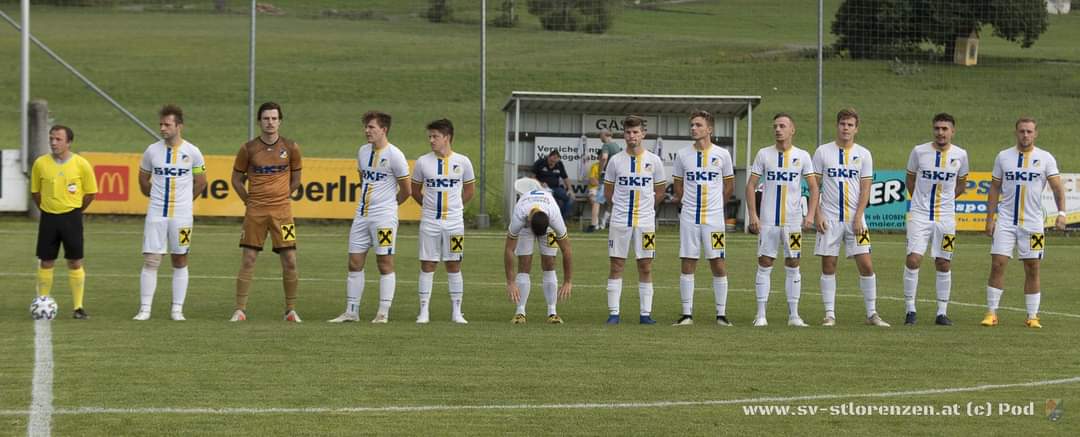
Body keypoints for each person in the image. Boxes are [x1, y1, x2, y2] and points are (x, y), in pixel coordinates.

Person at [982, 117, 1066, 329]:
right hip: (1006, 222)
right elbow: (994, 188)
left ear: (1035, 134)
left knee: (1033, 267)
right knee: (998, 263)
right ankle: (991, 313)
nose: (1025, 135)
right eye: (1022, 131)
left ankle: (1032, 315)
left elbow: (1057, 188)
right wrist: (989, 218)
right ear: (1016, 132)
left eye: (1029, 131)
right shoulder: (1003, 157)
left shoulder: (1045, 158)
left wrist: (1062, 213)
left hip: (1033, 224)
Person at [329, 111, 411, 324]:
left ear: (384, 130)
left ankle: (383, 312)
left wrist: (389, 207)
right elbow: (363, 180)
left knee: (384, 262)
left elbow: (406, 190)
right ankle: (351, 311)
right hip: (361, 216)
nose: (367, 131)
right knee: (354, 262)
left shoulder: (395, 155)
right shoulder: (363, 152)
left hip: (384, 219)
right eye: (366, 127)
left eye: (371, 127)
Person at [812, 108, 890, 327]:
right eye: (842, 124)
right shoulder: (822, 152)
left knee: (866, 264)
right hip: (829, 219)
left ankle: (872, 313)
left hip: (856, 220)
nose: (845, 128)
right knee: (829, 264)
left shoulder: (864, 154)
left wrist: (859, 217)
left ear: (856, 128)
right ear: (837, 126)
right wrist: (817, 214)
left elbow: (866, 189)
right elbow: (813, 186)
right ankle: (829, 314)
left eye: (850, 125)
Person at [230, 102, 303, 322]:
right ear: (259, 121)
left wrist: (282, 198)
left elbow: (296, 179)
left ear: (280, 121)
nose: (270, 122)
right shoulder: (248, 149)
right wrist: (249, 201)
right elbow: (236, 179)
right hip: (256, 213)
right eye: (265, 118)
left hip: (283, 214)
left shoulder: (291, 147)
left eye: (273, 118)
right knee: (249, 258)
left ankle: (290, 310)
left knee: (290, 259)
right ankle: (240, 310)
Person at [133, 105, 208, 321]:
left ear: (179, 126)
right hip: (156, 213)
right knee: (151, 259)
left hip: (182, 216)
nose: (162, 128)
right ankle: (145, 309)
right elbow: (143, 179)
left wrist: (185, 203)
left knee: (180, 258)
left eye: (167, 124)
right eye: (161, 124)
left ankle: (177, 309)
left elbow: (201, 182)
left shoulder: (192, 152)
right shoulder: (151, 151)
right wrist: (154, 198)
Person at [745, 113, 819, 327]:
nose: (778, 129)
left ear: (792, 130)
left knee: (793, 263)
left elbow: (814, 187)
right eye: (775, 126)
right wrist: (753, 215)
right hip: (768, 222)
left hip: (793, 222)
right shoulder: (763, 154)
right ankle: (761, 314)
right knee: (765, 262)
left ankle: (794, 315)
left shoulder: (802, 156)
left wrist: (811, 215)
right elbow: (750, 185)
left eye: (783, 126)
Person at [902, 113, 969, 326]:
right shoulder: (919, 151)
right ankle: (910, 309)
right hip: (919, 216)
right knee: (913, 258)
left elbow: (962, 183)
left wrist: (946, 201)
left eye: (945, 129)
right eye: (937, 128)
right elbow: (910, 179)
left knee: (944, 261)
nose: (941, 132)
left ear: (952, 131)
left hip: (946, 218)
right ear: (933, 130)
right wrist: (919, 201)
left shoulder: (961, 154)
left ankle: (941, 312)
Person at [670, 111, 736, 326]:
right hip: (689, 216)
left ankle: (721, 314)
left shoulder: (723, 155)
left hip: (714, 218)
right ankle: (686, 314)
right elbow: (678, 185)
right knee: (688, 261)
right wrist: (687, 203)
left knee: (717, 261)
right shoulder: (682, 155)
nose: (693, 128)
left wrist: (716, 207)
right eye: (692, 125)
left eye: (698, 125)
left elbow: (729, 186)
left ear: (709, 129)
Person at [603, 115, 667, 324]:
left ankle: (645, 314)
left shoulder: (654, 160)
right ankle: (614, 313)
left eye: (636, 132)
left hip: (646, 222)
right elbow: (609, 191)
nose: (632, 136)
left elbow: (660, 191)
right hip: (620, 221)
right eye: (629, 132)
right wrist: (620, 209)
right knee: (616, 265)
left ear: (643, 134)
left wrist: (646, 209)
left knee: (646, 265)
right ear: (624, 135)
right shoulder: (615, 161)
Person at [411, 119, 476, 324]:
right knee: (428, 263)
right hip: (430, 221)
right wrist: (430, 208)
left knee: (454, 263)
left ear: (446, 137)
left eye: (435, 136)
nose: (431, 140)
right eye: (429, 136)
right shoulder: (422, 162)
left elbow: (469, 191)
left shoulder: (463, 161)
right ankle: (423, 311)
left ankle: (457, 312)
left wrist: (454, 207)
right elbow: (415, 191)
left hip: (455, 223)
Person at [31, 125, 98, 319]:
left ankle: (78, 307)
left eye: (58, 139)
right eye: (51, 138)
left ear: (68, 142)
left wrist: (76, 210)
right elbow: (35, 192)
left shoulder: (81, 164)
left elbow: (91, 193)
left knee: (75, 261)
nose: (53, 142)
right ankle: (43, 301)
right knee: (46, 261)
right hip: (49, 217)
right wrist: (46, 208)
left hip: (72, 217)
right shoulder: (40, 163)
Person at [503, 189, 574, 324]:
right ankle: (520, 312)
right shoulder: (519, 217)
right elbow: (509, 250)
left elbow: (567, 250)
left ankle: (552, 312)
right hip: (525, 227)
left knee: (549, 263)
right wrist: (510, 282)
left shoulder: (554, 217)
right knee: (524, 264)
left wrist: (568, 281)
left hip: (548, 229)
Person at [532, 150, 573, 219]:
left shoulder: (559, 164)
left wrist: (570, 189)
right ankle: (547, 219)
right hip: (542, 189)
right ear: (548, 157)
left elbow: (565, 178)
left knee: (570, 198)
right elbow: (532, 177)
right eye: (551, 161)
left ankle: (560, 219)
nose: (553, 163)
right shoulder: (540, 162)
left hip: (555, 188)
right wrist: (540, 183)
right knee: (551, 201)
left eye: (555, 162)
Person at [586, 150, 609, 233]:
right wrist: (600, 184)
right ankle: (595, 224)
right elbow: (592, 180)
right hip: (595, 188)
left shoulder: (610, 167)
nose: (602, 159)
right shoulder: (595, 166)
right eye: (601, 156)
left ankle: (604, 221)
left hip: (606, 188)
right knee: (593, 199)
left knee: (613, 201)